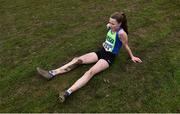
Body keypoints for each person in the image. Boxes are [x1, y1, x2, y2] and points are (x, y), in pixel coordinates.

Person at [37, 11, 142, 103]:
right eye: (109, 22)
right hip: (101, 51)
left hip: (109, 57)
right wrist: (108, 31)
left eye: (112, 23)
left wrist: (132, 56)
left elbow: (126, 45)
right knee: (77, 60)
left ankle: (67, 93)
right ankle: (52, 73)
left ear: (120, 24)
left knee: (90, 72)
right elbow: (109, 32)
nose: (109, 24)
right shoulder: (110, 26)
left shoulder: (122, 33)